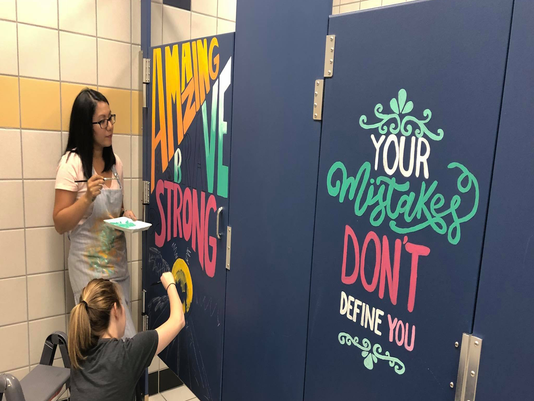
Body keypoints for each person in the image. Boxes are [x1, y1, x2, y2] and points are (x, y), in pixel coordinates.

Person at [53, 88, 138, 337]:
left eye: (111, 118)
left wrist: (128, 215)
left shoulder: (116, 164)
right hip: (89, 273)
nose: (109, 126)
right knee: (105, 350)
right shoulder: (72, 165)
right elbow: (60, 222)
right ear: (85, 125)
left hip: (118, 269)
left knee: (126, 345)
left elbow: (116, 211)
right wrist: (87, 197)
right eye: (102, 121)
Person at [68, 272, 185, 401]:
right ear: (115, 310)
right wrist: (170, 283)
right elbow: (178, 320)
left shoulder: (78, 349)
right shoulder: (127, 354)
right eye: (122, 302)